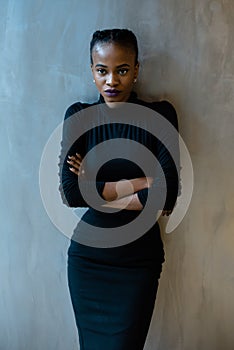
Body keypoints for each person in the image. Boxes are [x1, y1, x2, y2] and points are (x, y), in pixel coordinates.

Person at [59, 28, 180, 350]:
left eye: (122, 70)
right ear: (92, 71)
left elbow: (168, 194)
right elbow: (71, 194)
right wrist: (143, 182)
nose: (112, 80)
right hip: (89, 260)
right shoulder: (79, 116)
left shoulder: (161, 114)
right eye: (102, 70)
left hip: (138, 261)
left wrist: (95, 188)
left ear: (136, 70)